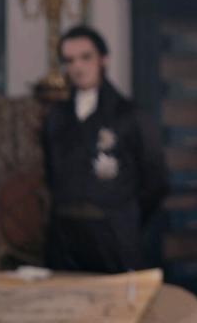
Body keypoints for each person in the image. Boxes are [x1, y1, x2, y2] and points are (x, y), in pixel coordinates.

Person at [42, 25, 168, 273]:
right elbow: (50, 174)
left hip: (114, 239)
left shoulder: (131, 115)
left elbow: (156, 181)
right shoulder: (55, 117)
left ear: (103, 59)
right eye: (69, 60)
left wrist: (126, 217)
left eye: (85, 57)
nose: (78, 67)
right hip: (65, 240)